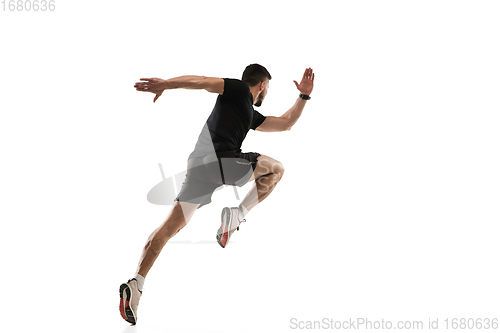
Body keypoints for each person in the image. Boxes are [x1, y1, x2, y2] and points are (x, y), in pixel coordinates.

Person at [119, 64, 315, 325]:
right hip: (222, 161)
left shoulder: (250, 115)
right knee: (276, 169)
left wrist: (302, 97)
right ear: (263, 85)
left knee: (169, 228)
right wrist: (166, 83)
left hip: (199, 169)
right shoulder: (237, 89)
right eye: (267, 88)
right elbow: (202, 81)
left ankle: (136, 284)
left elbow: (286, 123)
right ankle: (237, 215)